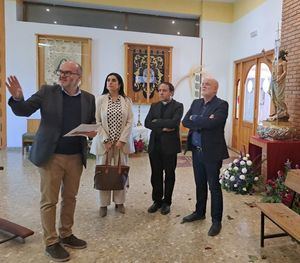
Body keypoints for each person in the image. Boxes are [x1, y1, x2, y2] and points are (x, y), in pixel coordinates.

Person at [6, 61, 96, 262]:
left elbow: (90, 123)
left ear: (78, 76)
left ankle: (66, 234)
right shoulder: (47, 92)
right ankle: (51, 242)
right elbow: (24, 110)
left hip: (75, 156)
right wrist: (17, 98)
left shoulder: (89, 99)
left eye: (67, 72)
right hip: (52, 156)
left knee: (70, 198)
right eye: (60, 72)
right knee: (49, 200)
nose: (62, 75)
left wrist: (91, 132)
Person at [181, 77, 229, 236]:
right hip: (197, 151)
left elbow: (213, 124)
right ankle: (199, 212)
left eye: (207, 84)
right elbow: (185, 121)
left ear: (215, 89)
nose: (204, 86)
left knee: (214, 187)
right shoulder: (196, 103)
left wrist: (197, 120)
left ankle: (216, 221)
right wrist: (201, 120)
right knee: (199, 184)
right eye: (203, 84)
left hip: (212, 152)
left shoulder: (221, 105)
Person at [90, 73, 134, 217]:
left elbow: (129, 121)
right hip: (105, 145)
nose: (110, 82)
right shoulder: (100, 100)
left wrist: (122, 140)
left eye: (114, 80)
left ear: (119, 84)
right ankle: (103, 205)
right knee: (104, 172)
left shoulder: (126, 100)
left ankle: (120, 202)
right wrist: (105, 140)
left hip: (121, 144)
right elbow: (97, 122)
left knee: (120, 173)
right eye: (108, 80)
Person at [145, 82, 183, 215]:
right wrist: (163, 127)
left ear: (171, 92)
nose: (161, 93)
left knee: (169, 175)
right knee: (155, 175)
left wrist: (157, 122)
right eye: (159, 90)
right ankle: (157, 201)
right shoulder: (154, 106)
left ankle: (167, 202)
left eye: (164, 90)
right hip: (155, 146)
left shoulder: (178, 106)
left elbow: (174, 123)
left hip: (170, 147)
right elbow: (147, 122)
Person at [262, 49, 289, 121]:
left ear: (281, 55)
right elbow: (269, 61)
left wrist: (280, 78)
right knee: (273, 96)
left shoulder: (283, 63)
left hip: (279, 82)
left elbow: (285, 72)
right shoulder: (275, 62)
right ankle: (278, 112)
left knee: (279, 97)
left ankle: (283, 111)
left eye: (278, 54)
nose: (276, 55)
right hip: (273, 81)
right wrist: (264, 54)